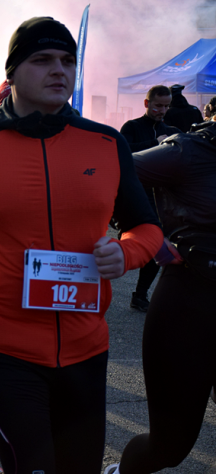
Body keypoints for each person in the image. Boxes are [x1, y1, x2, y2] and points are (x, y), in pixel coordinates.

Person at [0, 17, 162, 473]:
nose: (59, 70)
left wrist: (127, 252)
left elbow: (147, 228)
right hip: (2, 346)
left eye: (67, 61)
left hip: (86, 346)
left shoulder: (105, 144)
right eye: (42, 60)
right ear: (13, 73)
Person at [104, 123, 216, 473]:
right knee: (169, 446)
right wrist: (152, 240)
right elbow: (107, 175)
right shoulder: (190, 151)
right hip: (191, 302)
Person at [119, 85, 181, 311]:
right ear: (147, 104)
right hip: (132, 195)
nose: (162, 111)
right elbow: (123, 150)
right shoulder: (132, 126)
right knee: (131, 246)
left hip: (160, 198)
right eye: (158, 106)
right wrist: (156, 144)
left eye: (166, 106)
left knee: (158, 244)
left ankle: (140, 294)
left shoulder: (172, 130)